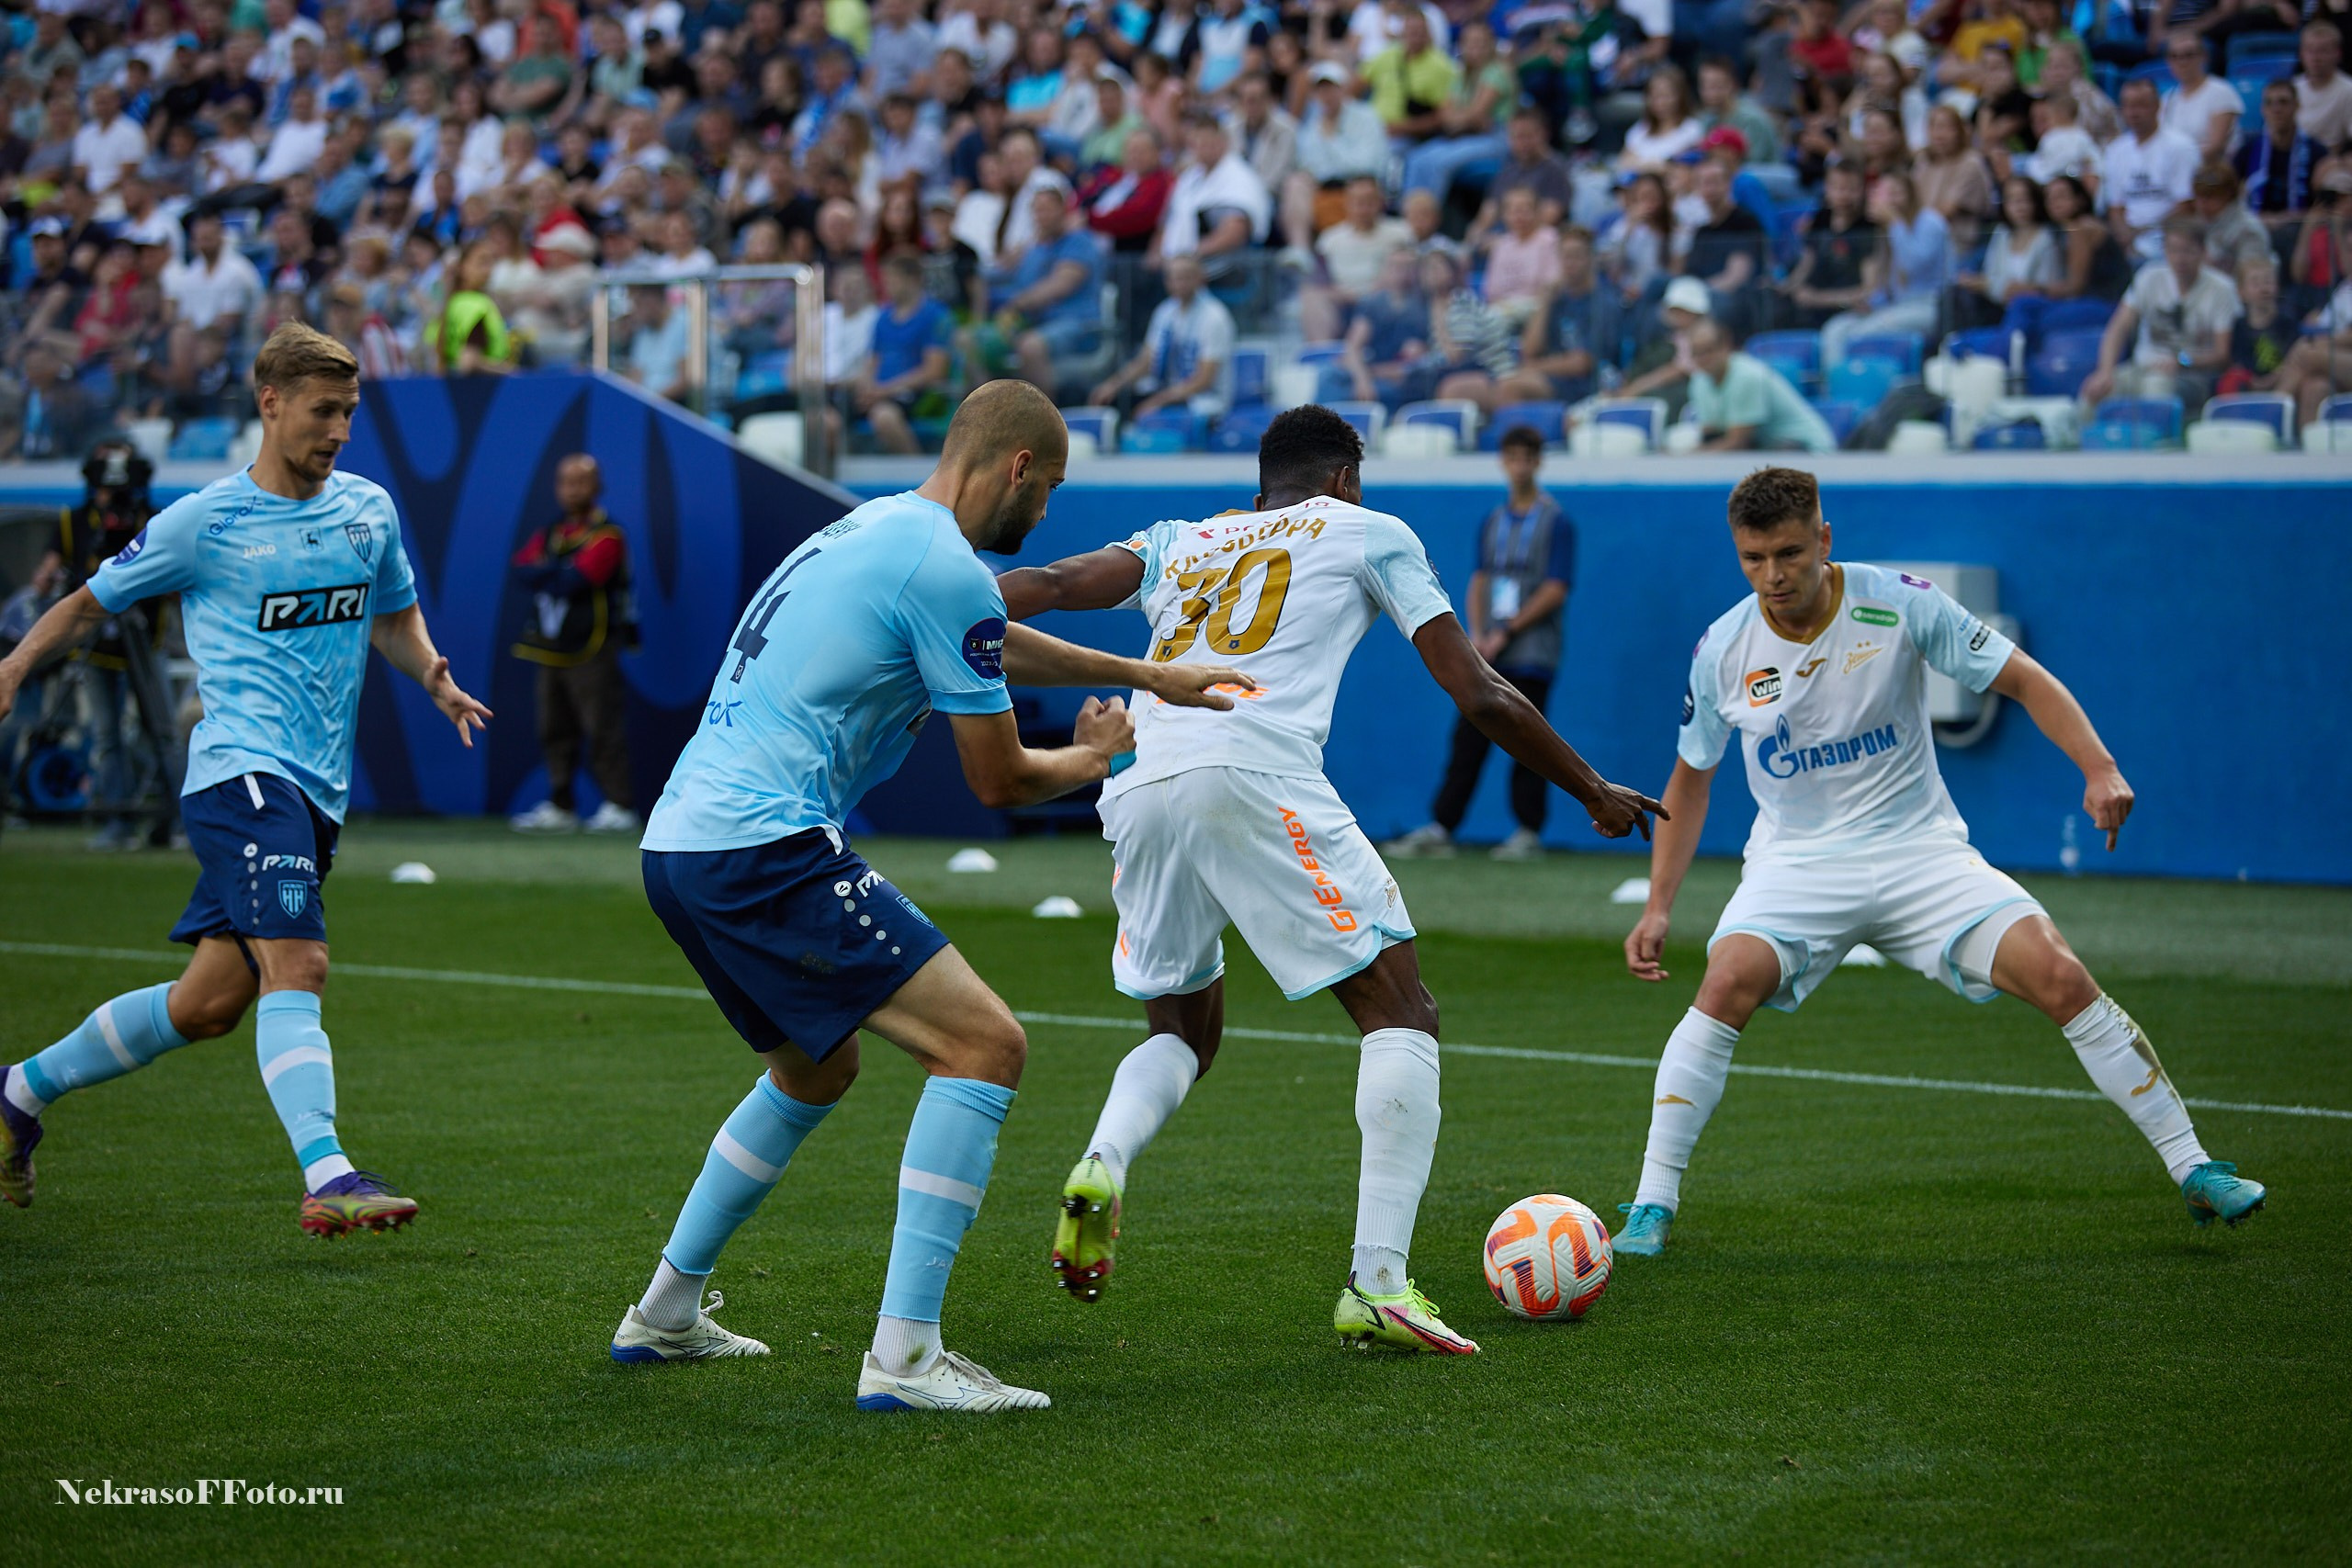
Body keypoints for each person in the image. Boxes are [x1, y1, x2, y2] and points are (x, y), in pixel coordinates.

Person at [607, 380, 1258, 1410]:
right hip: (765, 845)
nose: (1042, 517)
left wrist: (1145, 673)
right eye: (1046, 492)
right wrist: (1091, 756)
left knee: (814, 1073)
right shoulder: (944, 567)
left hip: (680, 846)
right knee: (985, 1046)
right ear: (1018, 467)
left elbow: (988, 632)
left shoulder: (874, 530)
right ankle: (906, 1357)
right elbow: (999, 780)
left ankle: (667, 1310)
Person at [995, 404, 1661, 1351]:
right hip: (1252, 768)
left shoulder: (1180, 537)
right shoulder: (1369, 531)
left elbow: (1056, 582)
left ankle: (1103, 1158)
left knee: (1182, 1026)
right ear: (1346, 477)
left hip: (1136, 782)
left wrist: (951, 602)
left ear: (1262, 481)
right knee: (1401, 1009)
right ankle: (1379, 1284)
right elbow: (1478, 688)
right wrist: (1590, 788)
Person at [1612, 467, 2267, 1258]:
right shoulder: (1722, 649)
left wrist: (2099, 767)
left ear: (1824, 538)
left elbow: (2022, 678)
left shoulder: (1901, 601)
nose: (1773, 576)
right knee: (1723, 984)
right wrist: (1658, 906)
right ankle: (1651, 1203)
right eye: (1753, 559)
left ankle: (2195, 1168)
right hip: (1799, 866)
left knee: (2062, 976)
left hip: (1922, 854)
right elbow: (1692, 776)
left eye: (1789, 552)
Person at [0, 324, 493, 1232]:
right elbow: (84, 605)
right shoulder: (206, 522)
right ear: (270, 404)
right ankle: (328, 1174)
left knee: (210, 1003)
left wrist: (430, 673)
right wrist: (15, 666)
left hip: (315, 796)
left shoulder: (367, 513)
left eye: (348, 412)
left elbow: (390, 614)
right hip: (242, 774)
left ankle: (17, 1094)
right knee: (299, 963)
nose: (339, 429)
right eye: (322, 410)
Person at [1387, 426, 1579, 863]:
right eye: (1511, 456)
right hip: (1490, 649)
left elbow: (1556, 587)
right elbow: (1480, 579)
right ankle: (1443, 826)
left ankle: (1528, 830)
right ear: (1503, 462)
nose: (1519, 466)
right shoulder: (1494, 519)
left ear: (1537, 462)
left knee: (1530, 739)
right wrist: (1476, 635)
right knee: (1468, 737)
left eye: (1527, 457)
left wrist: (1507, 630)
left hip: (1532, 651)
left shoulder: (1556, 521)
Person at [509, 455, 642, 837]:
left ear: (596, 487)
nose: (572, 490)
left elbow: (582, 577)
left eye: (580, 482)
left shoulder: (608, 534)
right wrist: (556, 571)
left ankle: (619, 804)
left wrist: (549, 571)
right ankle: (561, 804)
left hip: (593, 647)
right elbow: (522, 569)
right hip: (550, 647)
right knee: (554, 728)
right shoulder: (552, 532)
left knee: (602, 727)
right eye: (565, 482)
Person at [2080, 214, 2240, 410]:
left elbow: (2222, 354)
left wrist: (2182, 361)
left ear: (2203, 252)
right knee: (2093, 391)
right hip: (2142, 368)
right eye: (2173, 250)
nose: (2180, 259)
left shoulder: (2221, 289)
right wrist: (2105, 372)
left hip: (2193, 375)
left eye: (2187, 251)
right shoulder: (2149, 277)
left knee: (2156, 389)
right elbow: (2118, 329)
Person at [1089, 252, 1235, 418]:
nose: (1178, 284)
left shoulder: (1215, 316)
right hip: (1164, 391)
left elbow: (1204, 380)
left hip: (1201, 399)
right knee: (1111, 402)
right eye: (1173, 278)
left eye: (1185, 277)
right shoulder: (1165, 312)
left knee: (1147, 412)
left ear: (1200, 279)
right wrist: (1113, 385)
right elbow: (1146, 360)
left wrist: (1157, 402)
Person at [1684, 319, 1839, 450]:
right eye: (1696, 353)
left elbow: (1738, 442)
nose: (1702, 359)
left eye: (1708, 351)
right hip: (1767, 450)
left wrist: (1693, 459)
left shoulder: (1747, 376)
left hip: (1805, 448)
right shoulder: (1699, 381)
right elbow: (1711, 435)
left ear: (1725, 346)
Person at [2104, 78, 2200, 262]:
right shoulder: (2115, 150)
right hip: (2129, 239)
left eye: (2141, 105)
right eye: (2128, 106)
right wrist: (2126, 236)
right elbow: (2116, 207)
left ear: (2157, 106)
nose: (2133, 113)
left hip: (2170, 237)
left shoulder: (2180, 147)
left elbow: (2186, 205)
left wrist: (2144, 231)